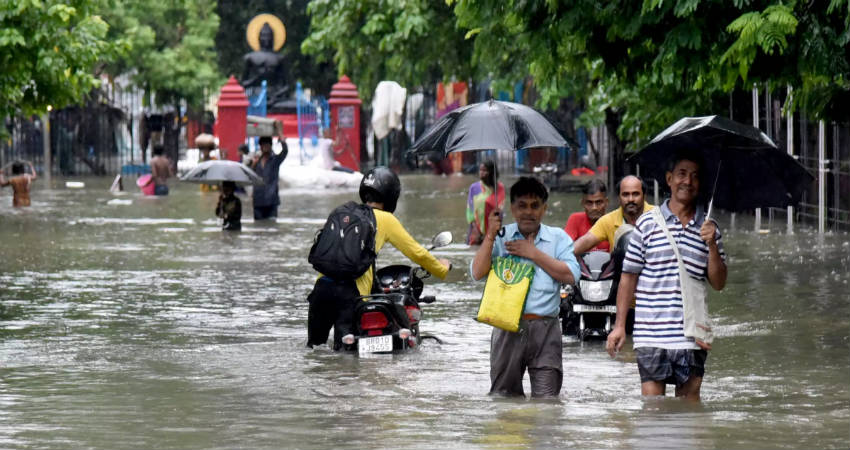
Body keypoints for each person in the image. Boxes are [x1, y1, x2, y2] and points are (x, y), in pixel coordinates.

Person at [606, 149, 727, 402]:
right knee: (652, 411)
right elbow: (628, 277)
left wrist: (712, 243)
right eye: (682, 174)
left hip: (691, 336)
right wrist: (619, 326)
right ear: (669, 179)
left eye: (695, 176)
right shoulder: (648, 223)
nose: (688, 181)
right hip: (650, 334)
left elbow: (718, 283)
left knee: (689, 412)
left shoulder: (709, 228)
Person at [307, 166, 451, 350]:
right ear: (392, 196)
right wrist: (441, 268)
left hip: (321, 290)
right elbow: (417, 252)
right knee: (345, 356)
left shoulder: (343, 211)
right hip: (350, 294)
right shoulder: (385, 219)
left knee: (314, 350)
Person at [471, 177, 580, 397]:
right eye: (522, 206)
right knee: (504, 400)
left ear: (544, 209)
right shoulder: (501, 236)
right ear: (511, 208)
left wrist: (534, 254)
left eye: (534, 206)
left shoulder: (558, 238)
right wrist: (490, 235)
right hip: (507, 328)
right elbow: (477, 272)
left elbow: (571, 276)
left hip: (546, 329)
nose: (528, 212)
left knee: (547, 403)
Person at [572, 175, 653, 255]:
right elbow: (586, 241)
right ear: (619, 198)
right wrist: (563, 256)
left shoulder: (658, 216)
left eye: (635, 194)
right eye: (625, 194)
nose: (630, 199)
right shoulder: (608, 220)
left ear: (644, 196)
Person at [247, 136, 287, 220]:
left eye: (267, 145)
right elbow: (249, 176)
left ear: (271, 146)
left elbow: (284, 152)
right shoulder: (256, 161)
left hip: (271, 201)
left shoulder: (275, 160)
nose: (265, 147)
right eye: (263, 145)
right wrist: (253, 164)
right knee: (258, 227)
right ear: (260, 147)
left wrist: (282, 141)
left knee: (272, 225)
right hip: (258, 200)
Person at [466, 160, 505, 245]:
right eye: (480, 170)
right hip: (475, 228)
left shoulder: (499, 188)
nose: (481, 173)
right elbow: (470, 209)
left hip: (492, 227)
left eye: (484, 170)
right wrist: (475, 228)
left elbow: (501, 209)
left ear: (491, 172)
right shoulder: (474, 187)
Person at [564, 179, 610, 251]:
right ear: (583, 203)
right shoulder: (575, 219)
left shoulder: (613, 222)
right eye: (589, 203)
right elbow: (564, 248)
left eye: (598, 202)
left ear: (606, 202)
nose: (594, 208)